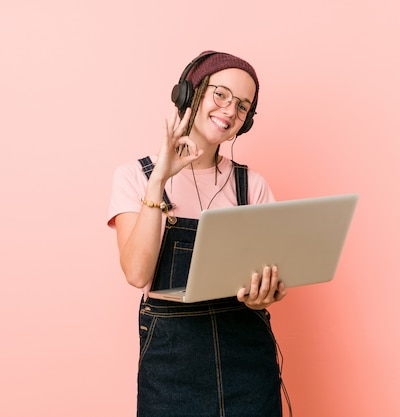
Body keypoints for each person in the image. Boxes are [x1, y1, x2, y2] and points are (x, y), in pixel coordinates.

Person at [107, 51, 289, 417]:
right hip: (172, 364)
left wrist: (264, 296)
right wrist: (160, 180)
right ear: (189, 94)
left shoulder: (251, 186)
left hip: (248, 360)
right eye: (220, 94)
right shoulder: (136, 176)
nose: (230, 110)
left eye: (242, 106)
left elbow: (267, 281)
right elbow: (137, 274)